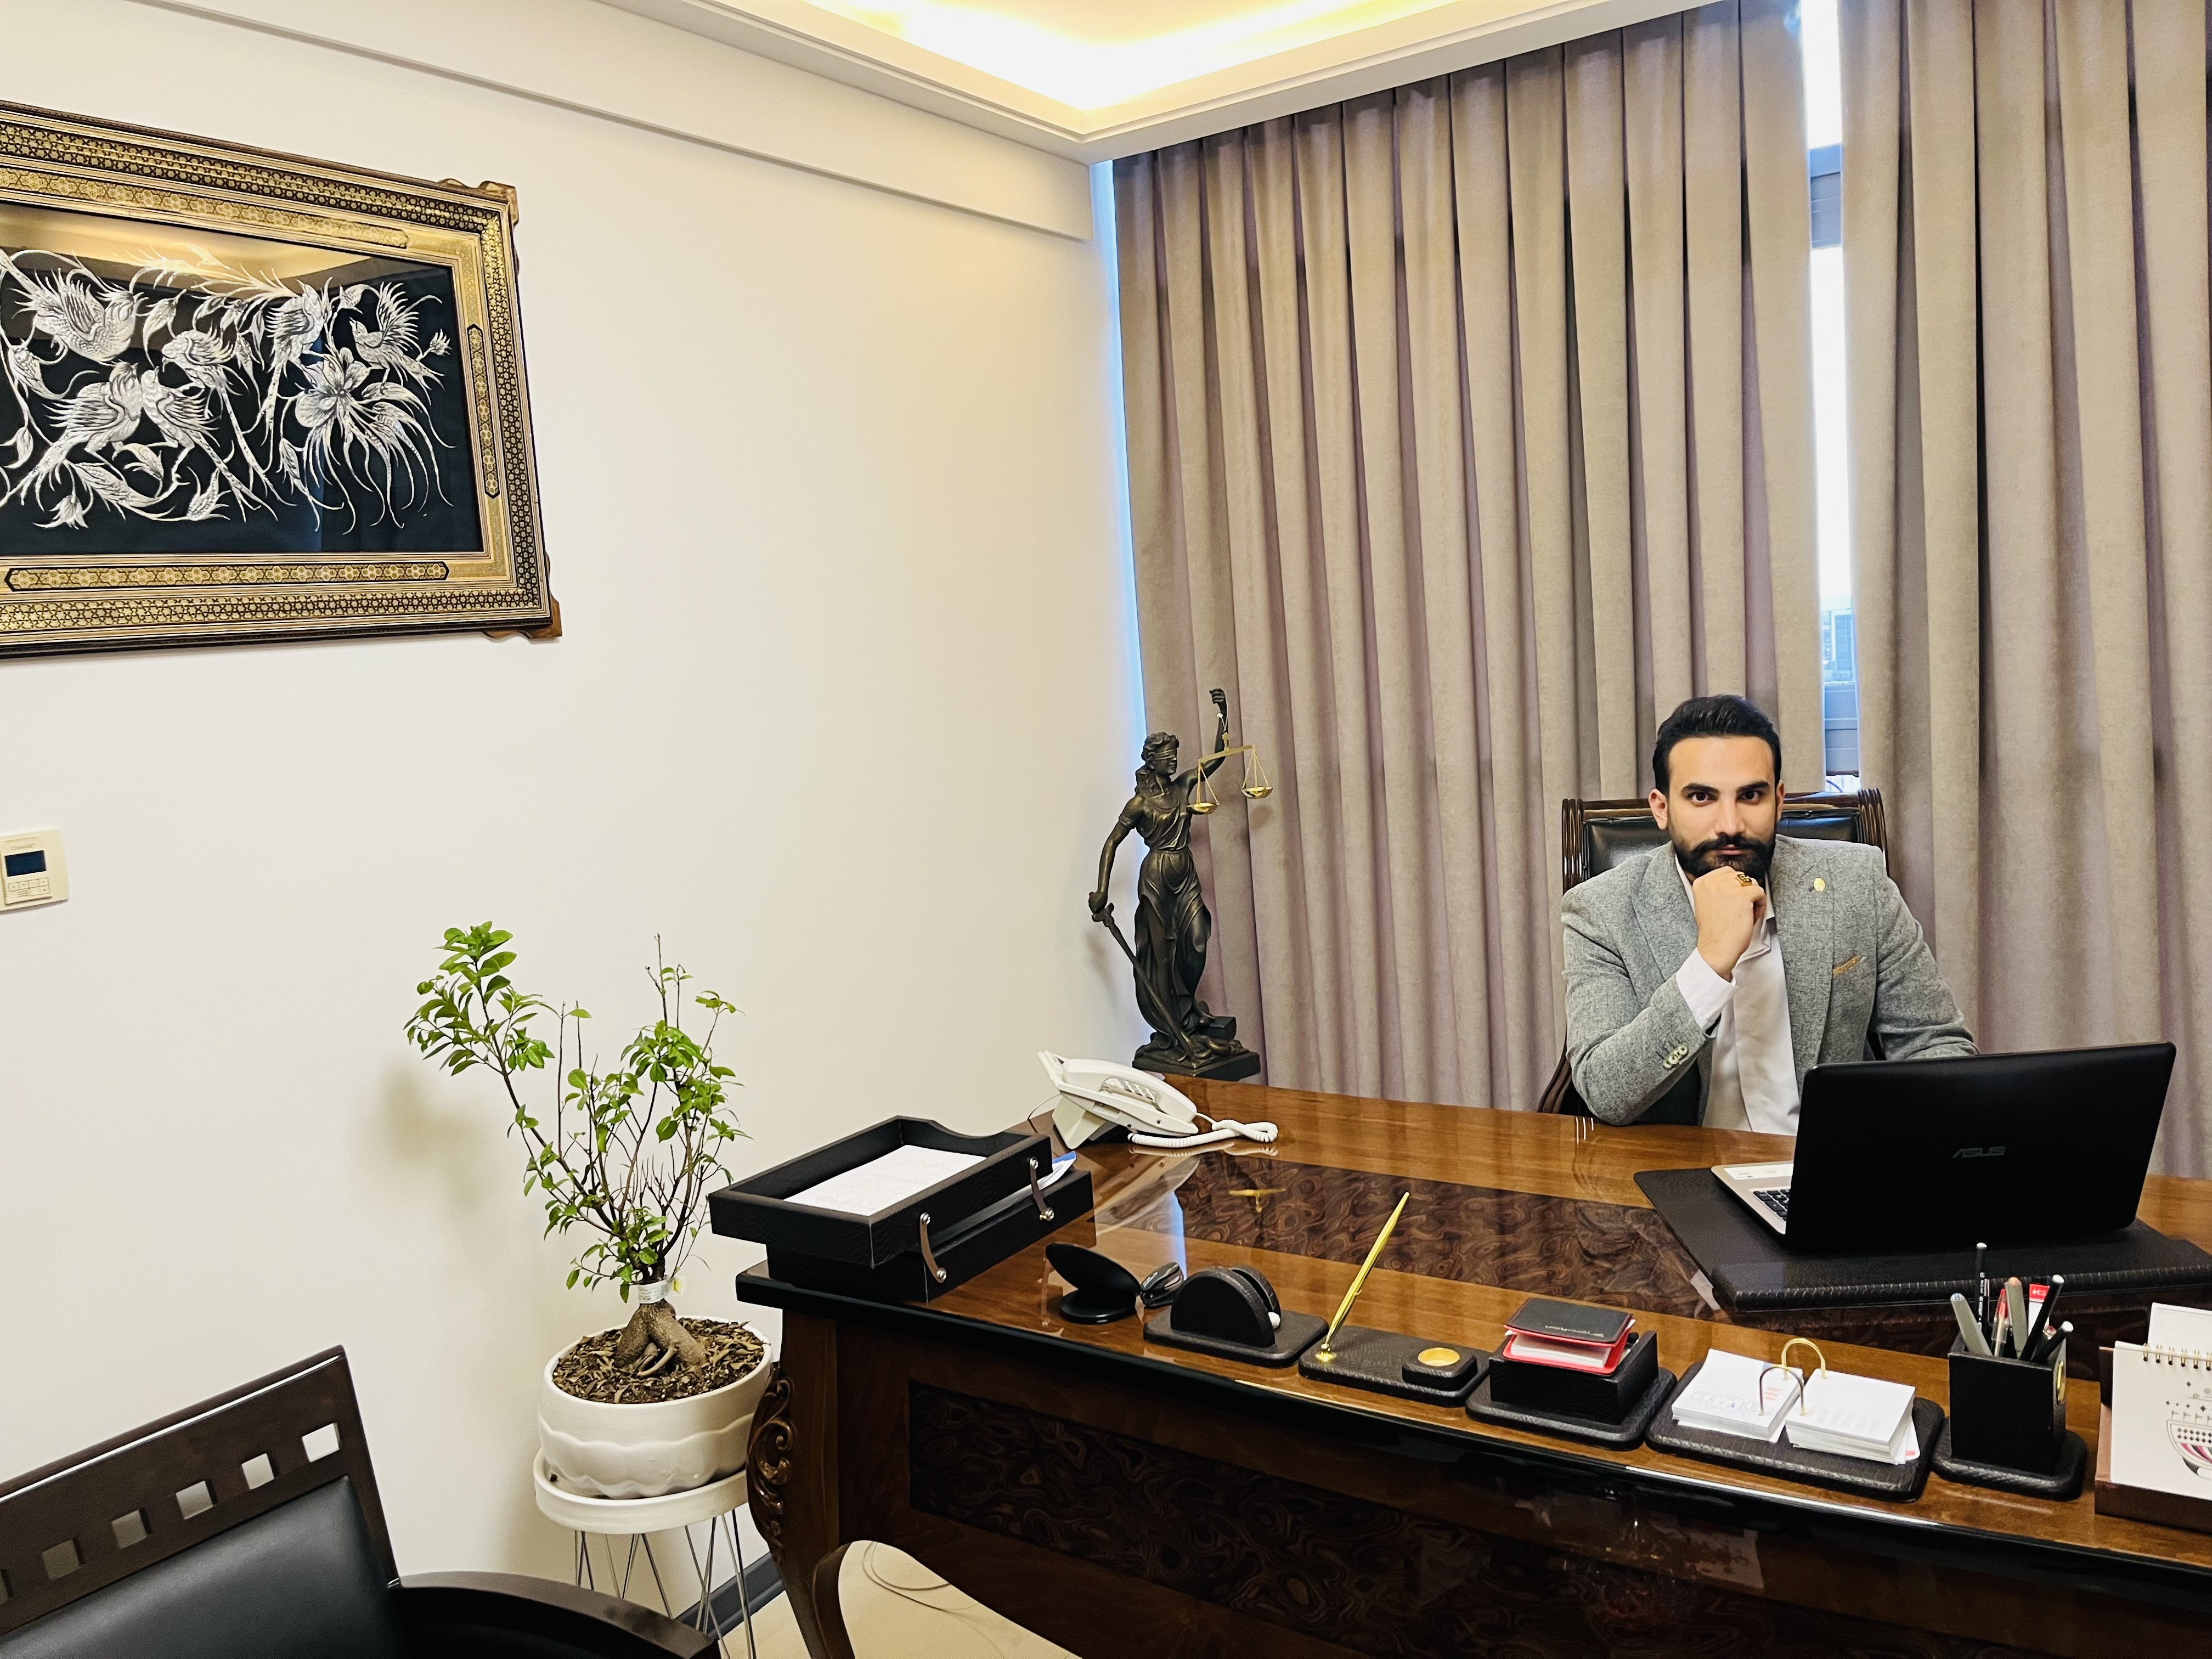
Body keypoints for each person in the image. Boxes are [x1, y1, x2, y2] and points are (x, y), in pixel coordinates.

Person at [1561, 693, 1973, 1130]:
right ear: (1662, 809)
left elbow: (1936, 1043)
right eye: (1701, 797)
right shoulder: (1601, 911)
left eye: (1751, 795)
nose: (1730, 825)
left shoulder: (1858, 882)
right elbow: (1606, 1093)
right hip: (1686, 1167)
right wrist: (1709, 965)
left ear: (1778, 801)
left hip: (1824, 1161)